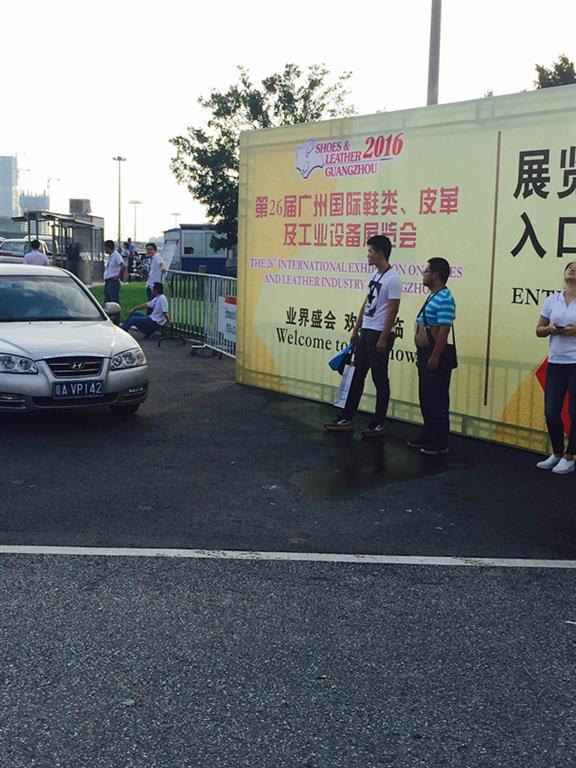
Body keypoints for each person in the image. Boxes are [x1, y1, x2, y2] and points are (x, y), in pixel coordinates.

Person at [324, 235, 401, 437]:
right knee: (357, 375)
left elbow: (393, 311)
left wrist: (384, 337)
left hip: (379, 333)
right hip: (367, 331)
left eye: (370, 251)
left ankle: (378, 423)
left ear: (380, 253)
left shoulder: (393, 278)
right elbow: (366, 304)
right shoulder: (375, 275)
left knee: (379, 378)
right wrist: (356, 329)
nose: (368, 255)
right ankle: (346, 417)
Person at [407, 257, 457, 455]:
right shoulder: (433, 296)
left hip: (435, 354)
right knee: (426, 397)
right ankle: (428, 434)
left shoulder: (445, 298)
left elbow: (444, 331)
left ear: (436, 275)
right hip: (425, 353)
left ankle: (439, 440)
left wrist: (435, 356)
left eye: (426, 271)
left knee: (437, 398)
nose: (423, 274)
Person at [534, 261, 576, 475]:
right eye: (570, 266)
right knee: (551, 411)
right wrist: (551, 328)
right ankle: (557, 452)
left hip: (575, 362)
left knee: (574, 411)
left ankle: (570, 456)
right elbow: (538, 330)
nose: (572, 269)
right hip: (556, 361)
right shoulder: (552, 300)